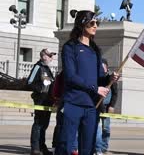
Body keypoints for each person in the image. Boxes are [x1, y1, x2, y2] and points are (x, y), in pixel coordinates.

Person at [57, 10, 119, 155]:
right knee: (65, 147)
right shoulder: (69, 47)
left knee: (88, 149)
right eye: (92, 23)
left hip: (92, 107)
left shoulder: (95, 50)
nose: (95, 26)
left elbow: (99, 77)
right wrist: (95, 88)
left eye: (97, 23)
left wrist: (109, 78)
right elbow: (71, 76)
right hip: (72, 104)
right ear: (82, 24)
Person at [27, 48, 56, 155]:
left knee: (44, 124)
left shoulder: (47, 69)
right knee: (38, 124)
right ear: (44, 56)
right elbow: (29, 82)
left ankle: (42, 147)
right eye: (50, 56)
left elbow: (51, 84)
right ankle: (35, 148)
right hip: (40, 100)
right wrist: (40, 91)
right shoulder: (38, 67)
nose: (52, 58)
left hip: (48, 101)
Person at [95, 58, 118, 155]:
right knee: (97, 129)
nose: (101, 68)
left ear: (106, 67)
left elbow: (115, 93)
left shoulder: (111, 79)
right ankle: (98, 149)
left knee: (106, 129)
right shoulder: (96, 78)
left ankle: (104, 147)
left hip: (106, 107)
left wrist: (112, 106)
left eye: (103, 66)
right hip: (97, 106)